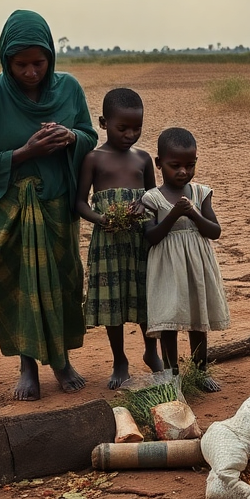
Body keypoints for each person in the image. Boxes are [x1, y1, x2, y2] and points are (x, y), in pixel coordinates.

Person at [0, 9, 98, 401]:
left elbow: (91, 135)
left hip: (56, 206)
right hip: (9, 208)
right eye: (19, 64)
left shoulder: (69, 88)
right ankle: (27, 365)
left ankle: (61, 362)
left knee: (62, 281)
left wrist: (70, 136)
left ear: (51, 57)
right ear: (6, 60)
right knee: (14, 283)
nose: (30, 72)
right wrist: (25, 152)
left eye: (39, 62)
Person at [75, 87, 163, 389]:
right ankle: (119, 359)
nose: (130, 134)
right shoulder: (93, 159)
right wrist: (102, 219)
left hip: (141, 242)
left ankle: (152, 353)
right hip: (108, 243)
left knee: (145, 300)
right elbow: (79, 202)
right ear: (103, 123)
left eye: (137, 128)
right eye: (122, 127)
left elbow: (156, 195)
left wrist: (145, 204)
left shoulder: (142, 159)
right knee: (113, 304)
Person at [141, 127, 229, 392]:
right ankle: (172, 375)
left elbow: (214, 231)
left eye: (190, 165)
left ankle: (201, 372)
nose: (183, 172)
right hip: (167, 268)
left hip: (197, 267)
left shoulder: (201, 193)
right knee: (169, 320)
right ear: (159, 164)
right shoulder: (152, 198)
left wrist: (193, 214)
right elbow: (151, 236)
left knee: (197, 317)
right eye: (174, 165)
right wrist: (172, 215)